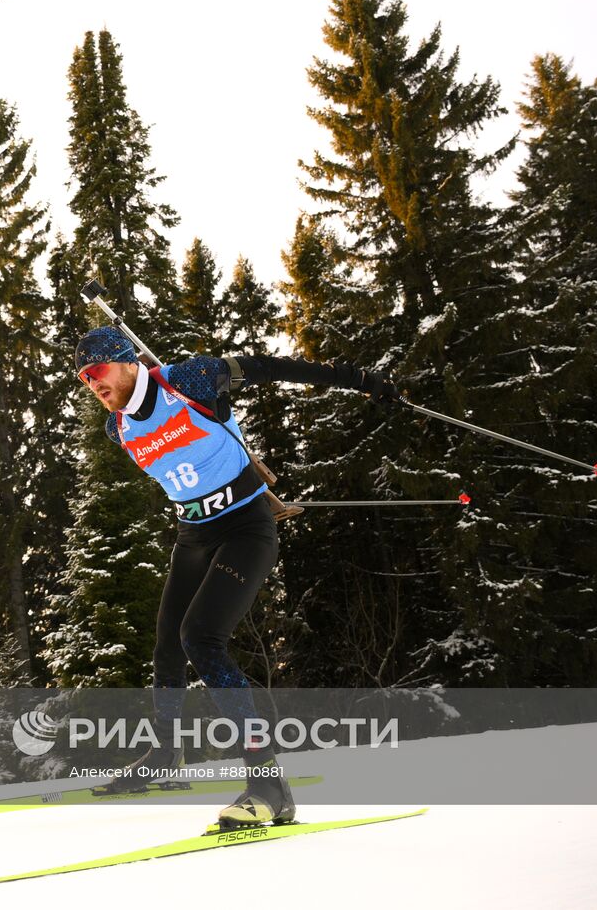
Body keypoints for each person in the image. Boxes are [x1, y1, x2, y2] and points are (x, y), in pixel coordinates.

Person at [72, 325, 400, 827]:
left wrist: (357, 379)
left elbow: (269, 367)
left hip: (246, 527)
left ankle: (270, 788)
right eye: (83, 378)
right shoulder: (117, 429)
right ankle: (164, 757)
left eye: (97, 371)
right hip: (194, 534)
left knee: (201, 640)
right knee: (167, 646)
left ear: (127, 360)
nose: (92, 384)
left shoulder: (190, 379)